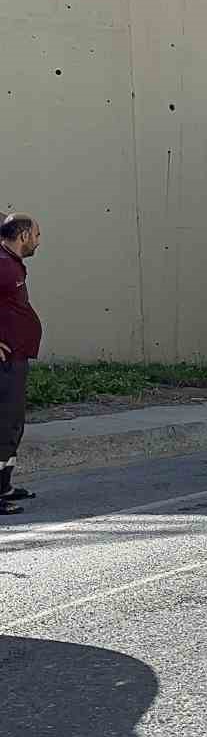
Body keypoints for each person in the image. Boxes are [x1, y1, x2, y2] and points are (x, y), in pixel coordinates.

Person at [0, 214, 43, 515]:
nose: (38, 241)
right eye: (37, 235)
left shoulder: (10, 263)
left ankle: (4, 485)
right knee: (3, 424)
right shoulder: (3, 264)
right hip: (5, 362)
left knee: (13, 424)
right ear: (24, 235)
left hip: (16, 357)